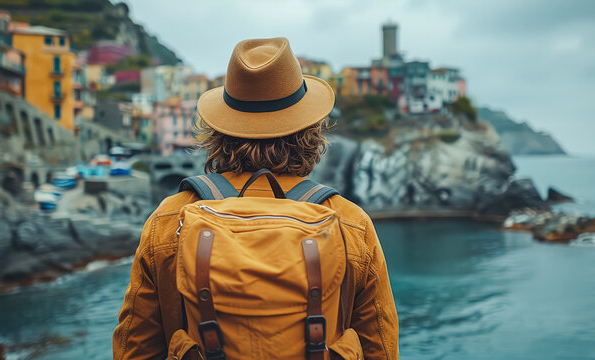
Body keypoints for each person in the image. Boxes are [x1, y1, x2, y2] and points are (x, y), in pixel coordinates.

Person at [113, 37, 399, 359]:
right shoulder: (350, 223)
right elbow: (381, 348)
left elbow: (133, 350)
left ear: (219, 130)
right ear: (310, 131)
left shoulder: (170, 219)